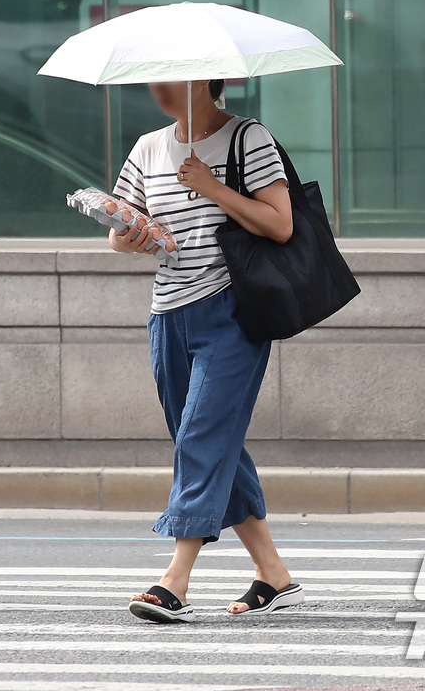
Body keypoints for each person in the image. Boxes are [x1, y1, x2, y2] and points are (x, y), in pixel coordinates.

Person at [111, 79, 304, 623]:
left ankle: (174, 579)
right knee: (210, 439)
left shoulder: (248, 139)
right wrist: (130, 233)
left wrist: (213, 187)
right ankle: (273, 573)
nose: (160, 90)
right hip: (168, 315)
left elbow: (282, 225)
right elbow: (120, 232)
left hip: (233, 311)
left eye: (172, 80)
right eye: (155, 81)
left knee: (200, 436)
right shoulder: (148, 147)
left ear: (207, 81)